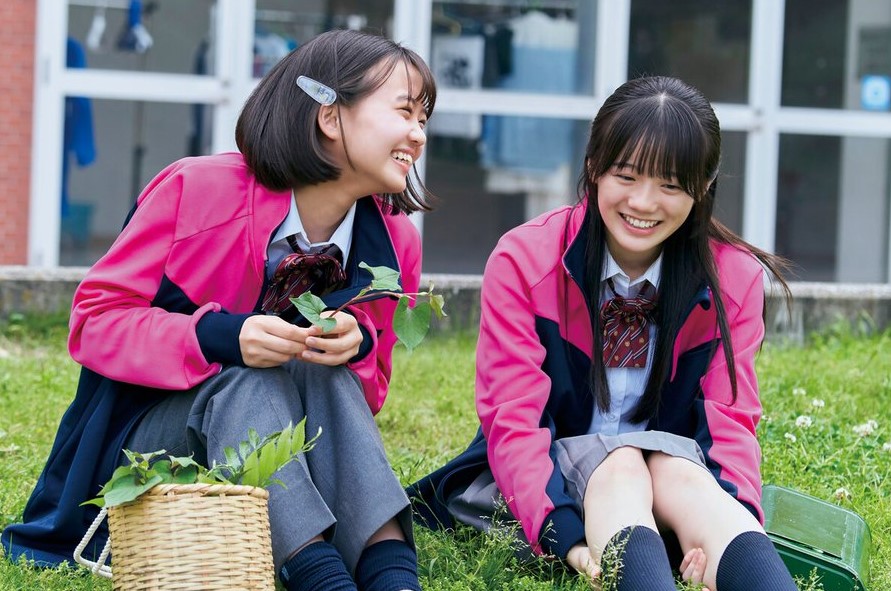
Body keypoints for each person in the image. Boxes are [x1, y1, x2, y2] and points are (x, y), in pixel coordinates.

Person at [3, 29, 435, 591]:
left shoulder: (395, 243)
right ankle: (320, 577)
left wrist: (357, 346)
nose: (418, 134)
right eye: (404, 111)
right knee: (248, 382)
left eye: (424, 117)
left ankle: (392, 577)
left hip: (282, 455)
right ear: (330, 116)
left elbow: (364, 398)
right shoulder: (197, 189)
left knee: (321, 373)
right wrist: (221, 337)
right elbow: (95, 322)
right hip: (148, 456)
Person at [408, 75, 798, 591]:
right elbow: (514, 420)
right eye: (626, 176)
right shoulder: (525, 259)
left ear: (703, 187)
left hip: (671, 479)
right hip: (550, 484)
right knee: (621, 467)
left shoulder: (734, 278)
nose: (644, 203)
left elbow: (731, 421)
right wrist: (567, 540)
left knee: (675, 474)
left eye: (671, 185)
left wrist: (727, 513)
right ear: (593, 165)